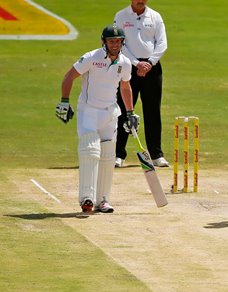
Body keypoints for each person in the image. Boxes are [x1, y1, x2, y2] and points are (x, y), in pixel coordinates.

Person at [56, 25, 139, 214]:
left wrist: (130, 112)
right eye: (112, 41)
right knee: (90, 151)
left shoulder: (125, 63)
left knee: (108, 156)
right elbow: (69, 77)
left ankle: (103, 200)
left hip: (110, 114)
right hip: (89, 112)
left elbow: (125, 87)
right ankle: (87, 198)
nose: (115, 44)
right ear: (104, 41)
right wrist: (64, 102)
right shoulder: (91, 57)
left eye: (118, 41)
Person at [113, 0, 168, 168]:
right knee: (123, 109)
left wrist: (149, 63)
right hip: (129, 66)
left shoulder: (155, 16)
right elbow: (118, 43)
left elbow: (162, 43)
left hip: (152, 67)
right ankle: (118, 154)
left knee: (152, 110)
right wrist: (137, 63)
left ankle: (156, 154)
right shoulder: (121, 16)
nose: (140, 1)